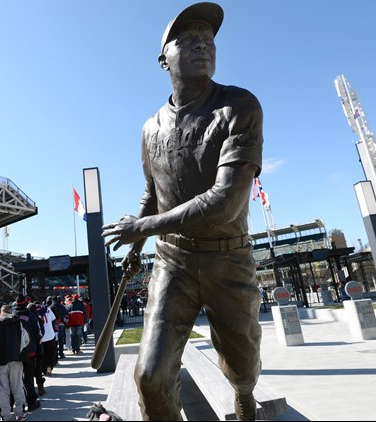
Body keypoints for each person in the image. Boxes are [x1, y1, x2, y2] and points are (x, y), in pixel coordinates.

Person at [101, 3, 264, 420]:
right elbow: (152, 191)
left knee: (242, 367)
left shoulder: (239, 106)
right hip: (173, 261)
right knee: (151, 377)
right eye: (188, 40)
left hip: (229, 257)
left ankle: (245, 394)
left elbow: (225, 203)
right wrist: (137, 236)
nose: (202, 47)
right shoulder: (150, 127)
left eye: (208, 41)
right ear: (163, 58)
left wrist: (144, 225)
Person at [0, 304, 30, 422]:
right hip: (16, 359)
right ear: (11, 311)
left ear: (1, 311)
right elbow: (26, 340)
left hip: (0, 361)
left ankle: (5, 415)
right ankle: (20, 413)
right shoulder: (19, 322)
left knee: (3, 389)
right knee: (18, 387)